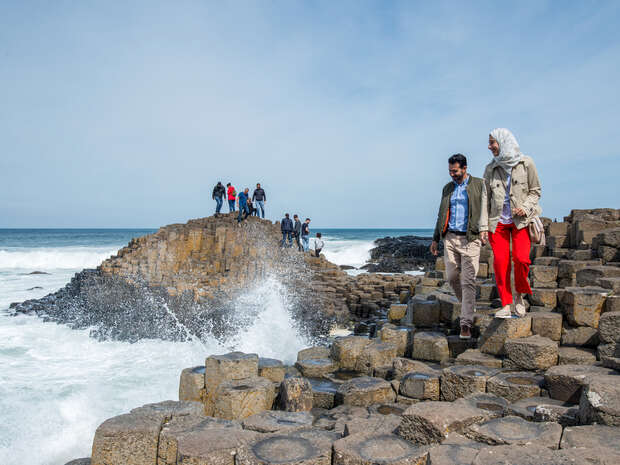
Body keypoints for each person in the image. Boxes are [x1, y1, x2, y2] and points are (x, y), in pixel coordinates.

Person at [430, 154, 488, 340]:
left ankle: (466, 324)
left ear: (464, 168)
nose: (452, 174)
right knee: (453, 277)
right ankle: (468, 305)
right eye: (450, 171)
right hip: (450, 238)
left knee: (468, 281)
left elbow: (489, 208)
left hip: (471, 239)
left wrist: (487, 230)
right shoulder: (447, 188)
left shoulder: (479, 184)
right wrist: (435, 238)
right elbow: (441, 214)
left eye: (455, 171)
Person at [484, 128, 541, 319]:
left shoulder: (527, 163)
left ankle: (519, 297)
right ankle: (506, 304)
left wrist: (525, 207)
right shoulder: (490, 168)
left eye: (493, 142)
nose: (490, 146)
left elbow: (535, 190)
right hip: (497, 222)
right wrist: (483, 226)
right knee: (500, 263)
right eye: (490, 142)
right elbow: (485, 199)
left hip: (521, 221)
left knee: (522, 259)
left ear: (504, 142)